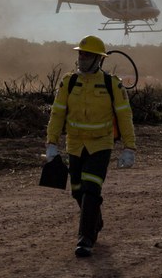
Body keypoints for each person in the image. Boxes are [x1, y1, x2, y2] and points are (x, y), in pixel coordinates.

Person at [45, 35, 136, 258]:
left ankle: (85, 238)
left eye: (87, 55)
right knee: (77, 191)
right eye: (80, 54)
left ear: (99, 59)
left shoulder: (111, 83)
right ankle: (95, 219)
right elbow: (57, 113)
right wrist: (51, 143)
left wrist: (129, 147)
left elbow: (124, 115)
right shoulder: (69, 82)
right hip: (75, 144)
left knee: (91, 187)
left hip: (100, 144)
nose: (82, 58)